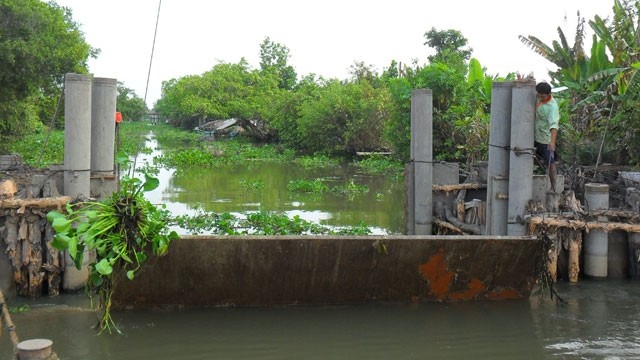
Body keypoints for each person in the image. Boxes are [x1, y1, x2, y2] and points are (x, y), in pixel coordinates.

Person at [534, 82, 560, 193]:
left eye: (543, 96)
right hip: (535, 137)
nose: (540, 98)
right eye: (538, 95)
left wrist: (552, 142)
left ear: (549, 94)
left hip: (545, 140)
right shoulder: (538, 99)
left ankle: (554, 188)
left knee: (551, 163)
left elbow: (554, 126)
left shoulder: (552, 107)